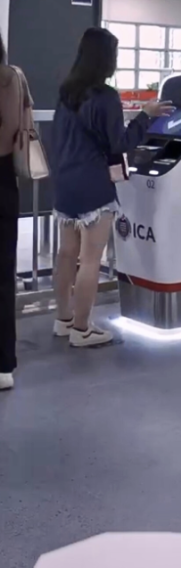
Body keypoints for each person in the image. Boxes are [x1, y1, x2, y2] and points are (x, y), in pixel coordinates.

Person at [51, 27, 171, 347]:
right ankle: (83, 329)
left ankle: (63, 319)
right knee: (91, 259)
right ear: (106, 59)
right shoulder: (105, 97)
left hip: (65, 181)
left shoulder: (66, 92)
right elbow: (119, 144)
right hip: (93, 185)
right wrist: (145, 118)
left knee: (66, 255)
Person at [0, 31, 29, 390]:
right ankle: (3, 362)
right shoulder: (11, 77)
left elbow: (7, 132)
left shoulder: (9, 77)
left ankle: (3, 362)